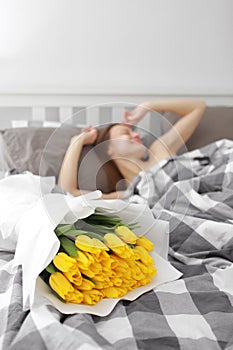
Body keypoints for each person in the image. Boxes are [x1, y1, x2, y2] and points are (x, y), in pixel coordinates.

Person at [58, 99, 206, 199]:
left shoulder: (160, 150)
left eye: (133, 131)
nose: (136, 134)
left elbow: (198, 106)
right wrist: (76, 141)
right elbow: (68, 192)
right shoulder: (127, 195)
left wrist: (148, 106)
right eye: (125, 133)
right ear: (109, 151)